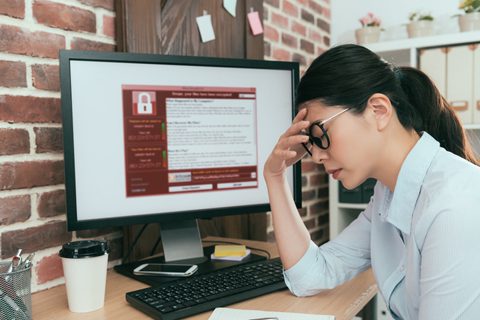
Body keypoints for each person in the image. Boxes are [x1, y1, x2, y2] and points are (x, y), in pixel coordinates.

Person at [263, 44, 480, 320]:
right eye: (309, 142)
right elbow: (311, 275)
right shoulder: (387, 196)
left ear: (378, 110)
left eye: (319, 133)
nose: (315, 155)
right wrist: (275, 176)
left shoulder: (455, 207)